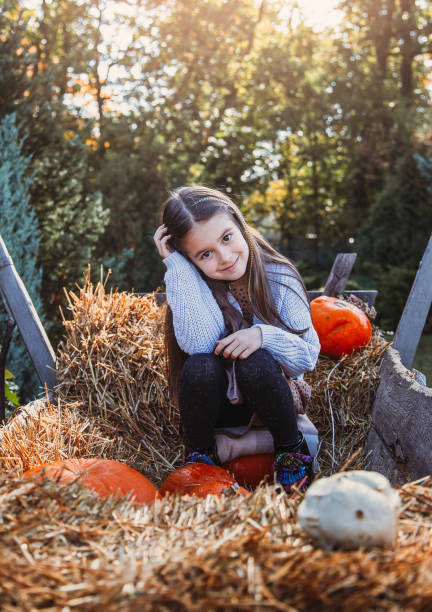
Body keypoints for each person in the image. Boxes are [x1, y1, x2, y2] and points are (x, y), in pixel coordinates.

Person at [153, 185, 320, 493]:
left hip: (272, 398)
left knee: (254, 361)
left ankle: (290, 451)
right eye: (205, 254)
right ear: (190, 259)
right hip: (215, 406)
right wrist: (177, 268)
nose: (226, 257)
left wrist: (262, 336)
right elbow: (200, 346)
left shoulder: (278, 277)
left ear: (239, 224)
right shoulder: (192, 282)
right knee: (199, 366)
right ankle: (201, 458)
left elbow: (305, 359)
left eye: (227, 238)